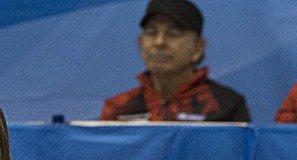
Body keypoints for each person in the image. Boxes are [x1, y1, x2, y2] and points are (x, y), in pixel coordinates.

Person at [101, 0, 250, 122]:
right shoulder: (118, 107)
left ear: (198, 47)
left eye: (173, 33)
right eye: (152, 32)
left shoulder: (227, 106)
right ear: (140, 43)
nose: (159, 42)